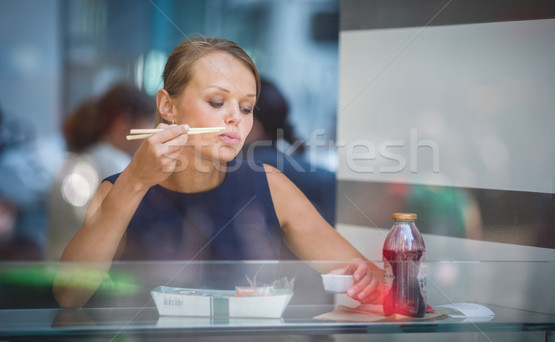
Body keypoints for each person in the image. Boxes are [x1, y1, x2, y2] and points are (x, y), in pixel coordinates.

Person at [53, 37, 382, 309]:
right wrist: (136, 181)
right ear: (167, 106)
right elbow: (69, 295)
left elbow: (363, 276)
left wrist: (368, 282)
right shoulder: (118, 190)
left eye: (246, 108)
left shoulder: (269, 184)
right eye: (216, 102)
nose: (234, 119)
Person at [45, 83, 155, 261]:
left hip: (57, 265)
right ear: (122, 123)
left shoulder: (84, 157)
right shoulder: (118, 166)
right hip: (84, 274)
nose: (152, 133)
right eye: (150, 123)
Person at [244, 78, 336, 225]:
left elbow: (331, 184)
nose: (233, 118)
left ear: (260, 121)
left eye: (245, 110)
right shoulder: (261, 157)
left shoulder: (259, 159)